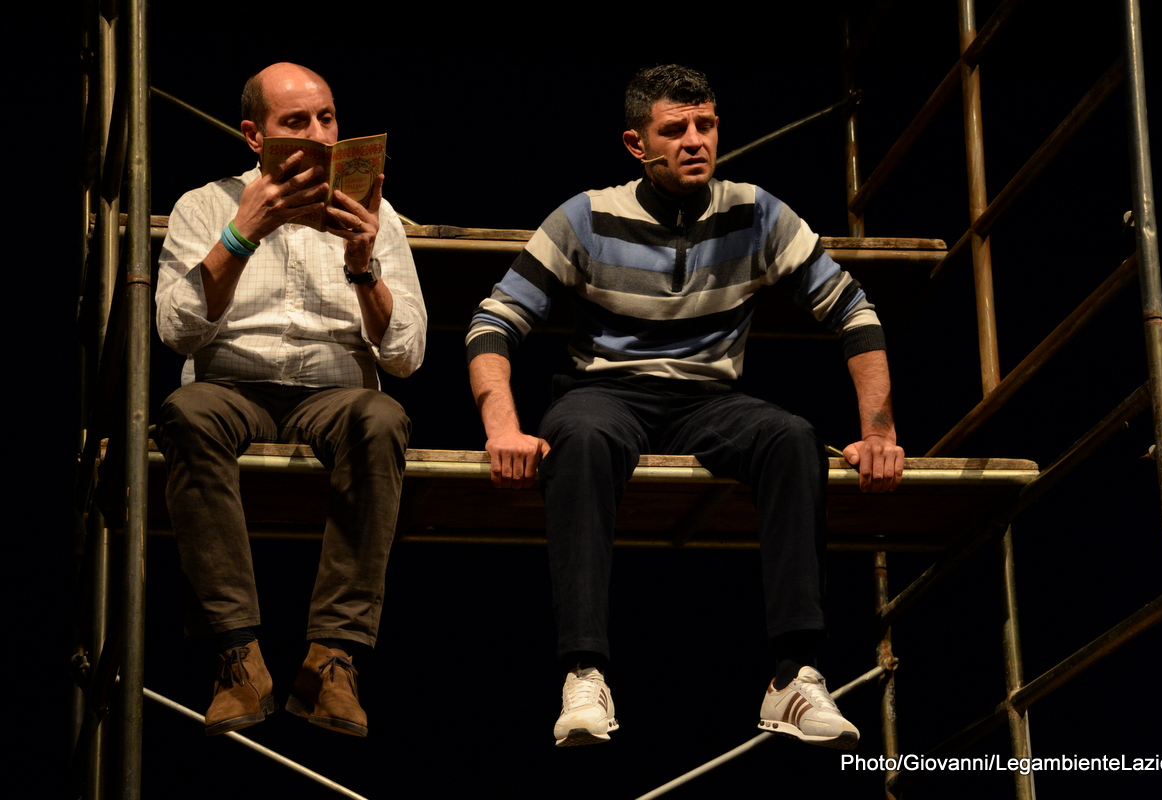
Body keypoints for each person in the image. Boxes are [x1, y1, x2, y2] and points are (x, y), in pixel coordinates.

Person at [466, 65, 903, 749]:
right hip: (606, 392)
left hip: (708, 398)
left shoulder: (757, 212)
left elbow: (853, 310)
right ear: (636, 144)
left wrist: (879, 431)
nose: (696, 140)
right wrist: (502, 428)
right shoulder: (586, 216)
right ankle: (584, 673)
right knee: (581, 437)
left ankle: (793, 676)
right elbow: (494, 321)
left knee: (792, 437)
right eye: (675, 129)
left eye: (707, 125)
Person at [156, 62, 426, 738]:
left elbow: (406, 355)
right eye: (295, 122)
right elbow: (177, 331)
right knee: (186, 413)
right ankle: (237, 657)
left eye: (326, 119)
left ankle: (333, 659)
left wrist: (363, 265)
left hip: (336, 392)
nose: (317, 135)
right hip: (231, 385)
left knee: (382, 417)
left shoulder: (376, 213)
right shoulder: (205, 205)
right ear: (256, 135)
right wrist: (241, 234)